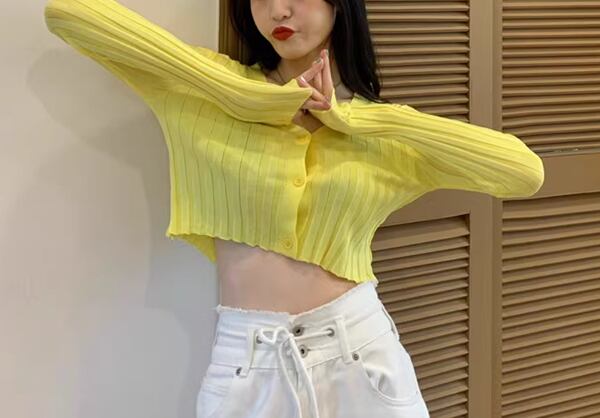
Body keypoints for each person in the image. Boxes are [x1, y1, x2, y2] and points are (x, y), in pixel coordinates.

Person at [44, 0, 545, 417]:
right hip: (246, 364)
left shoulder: (379, 134)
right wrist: (253, 99)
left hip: (361, 355)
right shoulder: (209, 92)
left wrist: (360, 121)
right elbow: (68, 15)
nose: (277, 10)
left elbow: (523, 172)